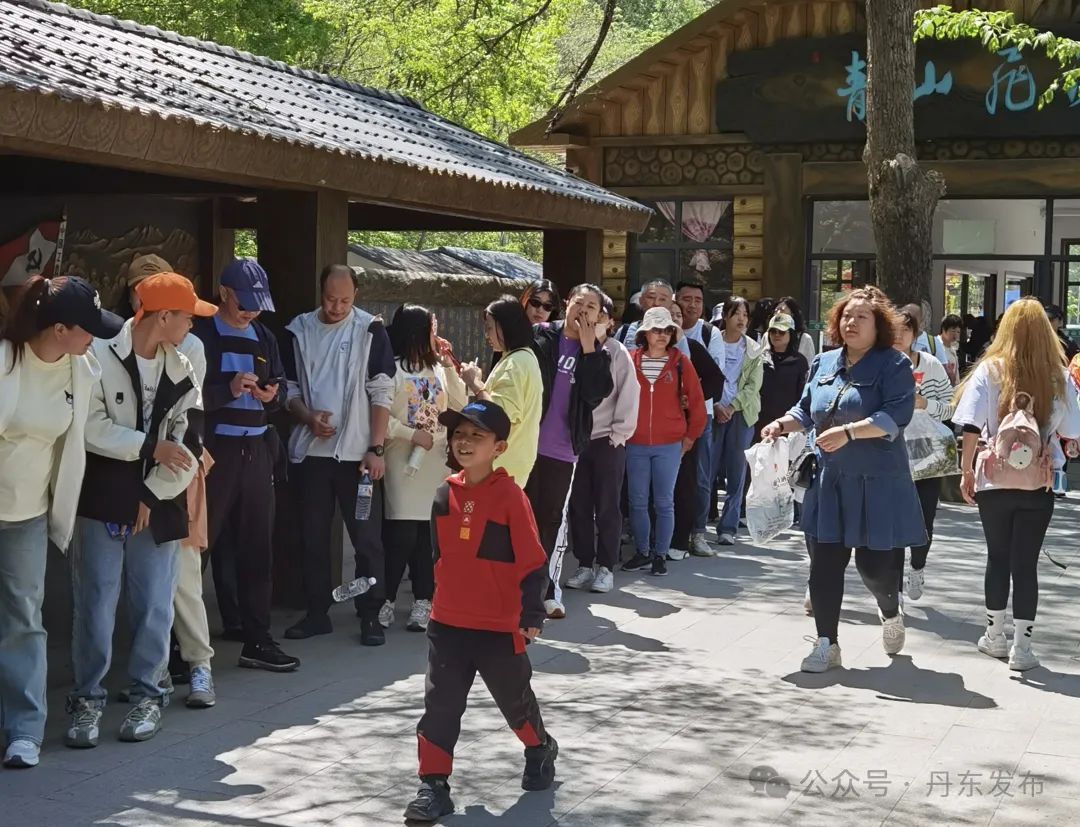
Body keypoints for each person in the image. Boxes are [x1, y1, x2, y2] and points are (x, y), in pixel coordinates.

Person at [67, 273, 213, 747]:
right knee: (96, 604)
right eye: (187, 314)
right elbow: (87, 428)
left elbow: (188, 449)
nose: (193, 323)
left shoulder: (184, 369)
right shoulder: (98, 356)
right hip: (101, 498)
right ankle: (87, 698)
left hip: (160, 503)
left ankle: (149, 694)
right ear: (163, 316)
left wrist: (149, 495)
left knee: (154, 604)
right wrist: (149, 448)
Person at [405, 401, 556, 822]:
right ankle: (433, 785)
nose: (464, 442)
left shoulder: (510, 496)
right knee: (440, 705)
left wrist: (530, 617)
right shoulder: (442, 494)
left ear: (500, 447)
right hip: (448, 623)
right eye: (458, 434)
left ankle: (539, 747)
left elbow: (532, 561)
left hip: (498, 627)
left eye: (477, 436)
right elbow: (439, 558)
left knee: (515, 702)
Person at [761, 287, 926, 673]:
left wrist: (850, 433)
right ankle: (826, 643)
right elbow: (805, 409)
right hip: (829, 482)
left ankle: (890, 611)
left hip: (877, 482)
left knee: (875, 568)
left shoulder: (894, 365)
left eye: (861, 317)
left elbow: (895, 416)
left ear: (879, 325)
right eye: (846, 316)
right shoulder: (823, 362)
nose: (850, 323)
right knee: (823, 566)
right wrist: (781, 425)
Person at [0, 276, 122, 769]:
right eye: (87, 327)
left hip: (28, 514)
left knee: (24, 622)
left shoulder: (82, 368)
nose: (95, 336)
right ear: (58, 328)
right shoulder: (6, 362)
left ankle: (24, 731)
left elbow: (84, 434)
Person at [953, 298, 1080, 671]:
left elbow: (971, 426)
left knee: (998, 557)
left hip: (994, 477)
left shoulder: (991, 369)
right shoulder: (1056, 374)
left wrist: (966, 470)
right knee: (1026, 563)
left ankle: (994, 635)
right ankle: (1022, 647)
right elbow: (1073, 429)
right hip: (1038, 482)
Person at [192, 259, 300, 671]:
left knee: (258, 549)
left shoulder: (263, 336)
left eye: (257, 304)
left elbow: (281, 381)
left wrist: (272, 395)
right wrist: (227, 389)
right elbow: (189, 394)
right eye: (244, 303)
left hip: (256, 451)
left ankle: (258, 639)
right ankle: (181, 646)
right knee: (198, 548)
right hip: (212, 453)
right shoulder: (200, 334)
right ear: (224, 293)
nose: (250, 311)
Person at [281, 264, 395, 646]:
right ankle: (317, 611)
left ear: (356, 295)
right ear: (320, 292)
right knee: (312, 535)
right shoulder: (299, 329)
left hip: (357, 454)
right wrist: (307, 416)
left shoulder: (370, 330)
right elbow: (288, 388)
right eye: (331, 299)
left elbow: (382, 391)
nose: (337, 306)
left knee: (366, 538)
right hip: (312, 452)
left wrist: (376, 447)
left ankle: (370, 612)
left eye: (345, 300)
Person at [122, 254, 217, 709]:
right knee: (136, 585)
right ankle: (150, 673)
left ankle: (200, 666)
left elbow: (188, 434)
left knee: (182, 576)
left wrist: (154, 486)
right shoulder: (114, 342)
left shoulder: (186, 350)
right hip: (121, 477)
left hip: (175, 474)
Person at [526, 284, 614, 618]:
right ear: (567, 304)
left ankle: (547, 590)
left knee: (550, 522)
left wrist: (590, 349)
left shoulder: (598, 354)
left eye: (592, 307)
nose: (584, 311)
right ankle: (515, 588)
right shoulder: (541, 336)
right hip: (525, 445)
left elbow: (595, 394)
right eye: (579, 303)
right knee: (519, 517)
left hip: (563, 449)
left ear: (599, 315)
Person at [381, 304, 466, 632]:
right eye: (432, 328)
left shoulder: (439, 369)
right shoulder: (393, 370)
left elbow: (459, 403)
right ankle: (384, 599)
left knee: (427, 537)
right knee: (400, 533)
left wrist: (451, 366)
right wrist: (409, 433)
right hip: (402, 460)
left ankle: (423, 599)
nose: (437, 335)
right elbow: (379, 415)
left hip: (434, 461)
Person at [622, 307, 706, 577]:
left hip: (670, 443)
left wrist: (690, 437)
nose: (662, 335)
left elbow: (697, 403)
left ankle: (660, 554)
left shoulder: (681, 361)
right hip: (634, 442)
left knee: (664, 502)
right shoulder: (630, 359)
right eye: (656, 329)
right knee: (636, 501)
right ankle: (643, 551)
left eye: (667, 330)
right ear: (645, 333)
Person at [565, 293, 639, 594]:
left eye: (596, 312)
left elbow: (629, 394)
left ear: (606, 320)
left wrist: (619, 434)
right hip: (574, 439)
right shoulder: (569, 347)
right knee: (579, 504)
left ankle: (606, 566)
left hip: (607, 439)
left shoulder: (616, 352)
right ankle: (584, 564)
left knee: (607, 505)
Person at [894, 308, 954, 602]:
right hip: (891, 447)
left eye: (905, 330)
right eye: (893, 329)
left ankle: (917, 566)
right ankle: (893, 589)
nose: (898, 335)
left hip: (926, 447)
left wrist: (924, 403)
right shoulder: (880, 363)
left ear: (915, 334)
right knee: (891, 516)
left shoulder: (931, 365)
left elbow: (950, 407)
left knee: (924, 516)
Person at [460, 296, 543, 486]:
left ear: (505, 326)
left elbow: (499, 417)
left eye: (490, 328)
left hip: (502, 468)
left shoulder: (514, 364)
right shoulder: (522, 358)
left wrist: (476, 384)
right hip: (510, 465)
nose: (487, 335)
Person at [669, 302, 725, 559]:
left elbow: (716, 380)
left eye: (677, 316)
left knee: (688, 482)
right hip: (651, 431)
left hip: (688, 427)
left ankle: (683, 539)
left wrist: (692, 398)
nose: (671, 321)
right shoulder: (643, 352)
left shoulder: (692, 348)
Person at [712, 297, 765, 545]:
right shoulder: (712, 341)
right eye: (736, 314)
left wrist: (732, 406)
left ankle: (728, 526)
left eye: (745, 314)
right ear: (726, 316)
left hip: (741, 415)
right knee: (706, 470)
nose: (742, 319)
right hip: (712, 411)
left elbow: (754, 386)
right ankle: (698, 525)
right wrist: (715, 405)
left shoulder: (754, 349)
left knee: (737, 472)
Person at [755, 313, 809, 438]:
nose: (777, 335)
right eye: (773, 331)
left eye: (782, 331)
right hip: (760, 424)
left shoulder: (800, 362)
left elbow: (803, 395)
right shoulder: (759, 358)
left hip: (788, 425)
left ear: (791, 334)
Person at [774, 296, 816, 364]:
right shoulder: (767, 336)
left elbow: (809, 366)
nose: (778, 313)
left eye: (782, 310)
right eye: (776, 310)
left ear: (792, 314)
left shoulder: (805, 339)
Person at [928, 314, 963, 384]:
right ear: (944, 329)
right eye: (953, 331)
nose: (955, 334)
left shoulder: (953, 348)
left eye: (958, 332)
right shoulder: (934, 345)